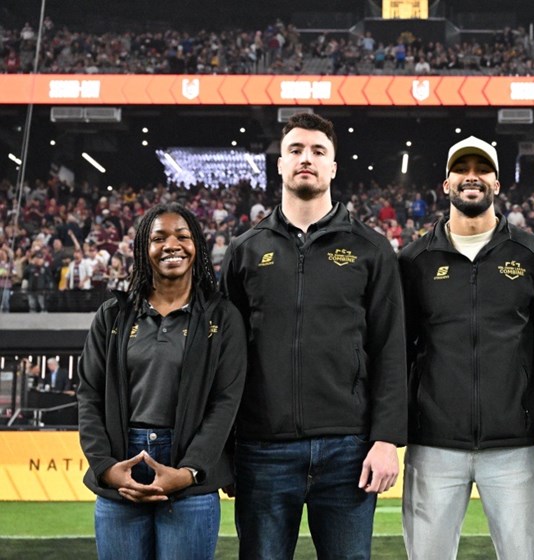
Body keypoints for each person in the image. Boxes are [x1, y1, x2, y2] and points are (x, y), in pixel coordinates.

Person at [221, 112, 406, 560]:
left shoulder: (371, 248)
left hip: (348, 450)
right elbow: (224, 358)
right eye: (297, 150)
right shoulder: (245, 250)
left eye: (318, 151)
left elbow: (390, 348)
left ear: (333, 168)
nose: (307, 158)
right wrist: (225, 449)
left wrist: (386, 439)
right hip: (262, 448)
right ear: (281, 165)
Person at [399, 136, 534, 559]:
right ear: (446, 182)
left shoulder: (533, 253)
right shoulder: (415, 259)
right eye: (462, 169)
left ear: (497, 181)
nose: (472, 176)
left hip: (515, 443)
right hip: (433, 443)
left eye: (482, 169)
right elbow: (398, 349)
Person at [77, 202, 246, 560]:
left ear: (197, 245)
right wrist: (106, 469)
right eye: (159, 238)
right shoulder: (114, 314)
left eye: (183, 236)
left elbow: (225, 402)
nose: (172, 244)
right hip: (122, 469)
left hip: (189, 471)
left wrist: (188, 471)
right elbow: (89, 395)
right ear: (144, 248)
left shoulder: (222, 316)